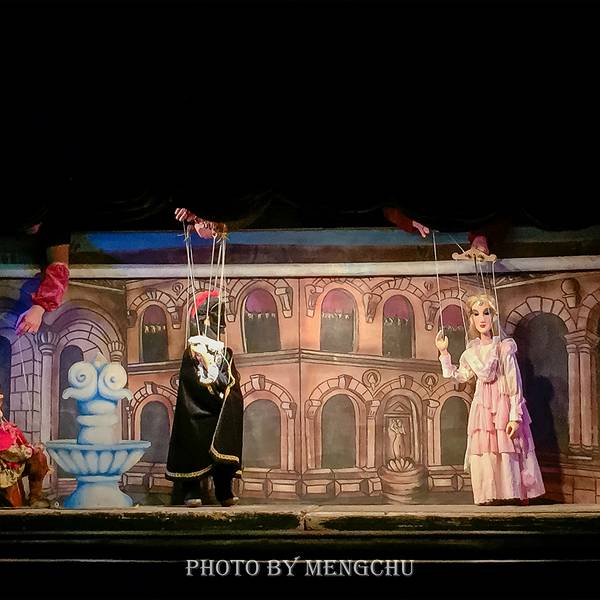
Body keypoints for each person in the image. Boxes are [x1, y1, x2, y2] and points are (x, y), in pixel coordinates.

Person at [435, 293, 545, 506]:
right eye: (476, 314)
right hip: (483, 406)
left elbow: (514, 384)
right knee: (486, 449)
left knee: (507, 448)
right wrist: (444, 353)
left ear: (493, 316)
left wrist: (515, 416)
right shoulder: (471, 352)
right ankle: (489, 495)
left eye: (486, 313)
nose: (482, 318)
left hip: (502, 403)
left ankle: (511, 494)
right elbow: (459, 376)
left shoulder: (504, 347)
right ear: (471, 319)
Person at [166, 290, 243, 507]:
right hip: (197, 408)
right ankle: (192, 489)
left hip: (220, 407)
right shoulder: (193, 351)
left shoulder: (224, 352)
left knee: (223, 441)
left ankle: (223, 489)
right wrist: (212, 387)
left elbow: (231, 378)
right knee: (194, 441)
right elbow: (191, 380)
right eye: (217, 318)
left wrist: (226, 390)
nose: (221, 326)